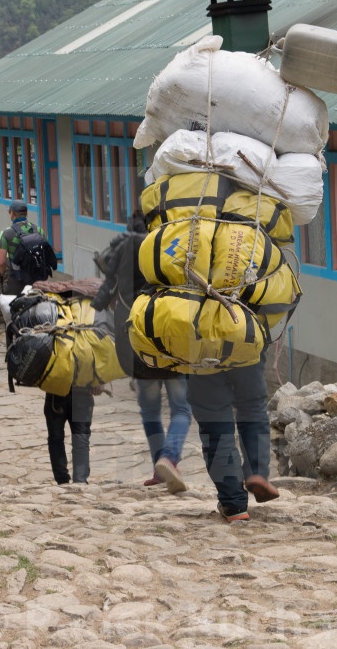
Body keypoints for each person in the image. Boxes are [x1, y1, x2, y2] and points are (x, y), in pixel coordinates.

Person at [91, 211, 191, 493]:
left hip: (137, 341)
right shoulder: (170, 247)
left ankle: (161, 468)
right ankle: (169, 458)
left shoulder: (122, 248)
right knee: (181, 407)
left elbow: (105, 292)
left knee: (150, 410)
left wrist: (98, 306)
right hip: (169, 340)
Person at [187, 354, 280, 522]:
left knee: (214, 420)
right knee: (252, 406)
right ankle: (256, 472)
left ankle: (233, 503)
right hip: (245, 341)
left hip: (199, 349)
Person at [0, 201, 54, 295]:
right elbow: (46, 252)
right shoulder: (38, 230)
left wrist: (0, 272)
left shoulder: (6, 233)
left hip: (18, 279)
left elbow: (1, 262)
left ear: (12, 213)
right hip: (39, 278)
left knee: (11, 305)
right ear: (26, 213)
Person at [44, 387, 97, 484]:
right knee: (79, 439)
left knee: (57, 439)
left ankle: (64, 481)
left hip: (56, 394)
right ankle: (79, 481)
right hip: (79, 393)